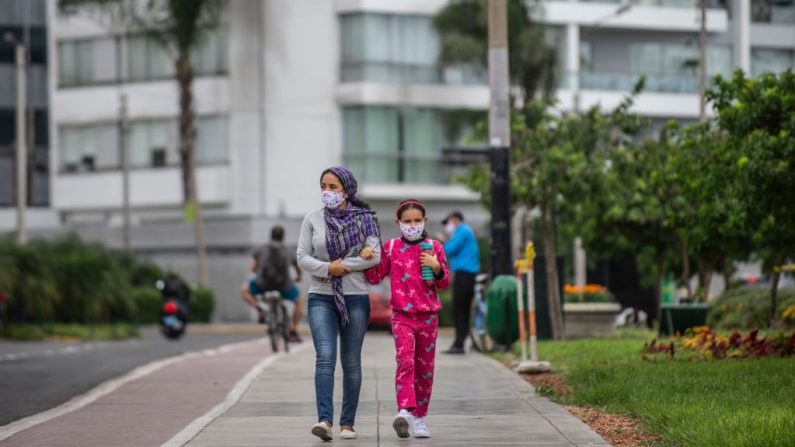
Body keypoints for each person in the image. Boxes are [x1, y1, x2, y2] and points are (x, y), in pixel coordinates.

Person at [296, 166, 381, 442]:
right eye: (324, 186)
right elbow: (302, 256)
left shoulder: (365, 219)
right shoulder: (312, 219)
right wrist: (327, 268)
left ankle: (347, 423)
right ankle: (324, 420)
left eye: (333, 187)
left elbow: (374, 256)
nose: (328, 192)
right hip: (320, 296)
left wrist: (340, 266)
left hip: (355, 298)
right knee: (325, 357)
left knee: (351, 362)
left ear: (347, 189)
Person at [362, 199, 450, 439]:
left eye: (417, 221)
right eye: (408, 221)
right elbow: (375, 277)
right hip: (402, 316)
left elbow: (444, 283)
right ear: (398, 223)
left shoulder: (435, 247)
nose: (413, 225)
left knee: (425, 367)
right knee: (405, 361)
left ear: (425, 221)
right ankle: (405, 411)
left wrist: (436, 266)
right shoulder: (390, 247)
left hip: (429, 316)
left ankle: (420, 419)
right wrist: (368, 257)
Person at [241, 225, 304, 342]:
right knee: (299, 301)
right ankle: (293, 331)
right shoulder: (289, 251)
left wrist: (259, 273)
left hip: (262, 284)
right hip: (284, 286)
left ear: (270, 236)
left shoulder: (260, 249)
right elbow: (298, 269)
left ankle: (260, 309)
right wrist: (298, 278)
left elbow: (253, 267)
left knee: (245, 290)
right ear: (283, 237)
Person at [441, 210, 480, 354]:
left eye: (448, 222)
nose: (448, 225)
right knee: (461, 310)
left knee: (459, 310)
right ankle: (459, 343)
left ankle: (459, 344)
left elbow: (449, 250)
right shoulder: (462, 232)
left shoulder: (462, 231)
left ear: (454, 219)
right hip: (464, 274)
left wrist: (443, 242)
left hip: (465, 275)